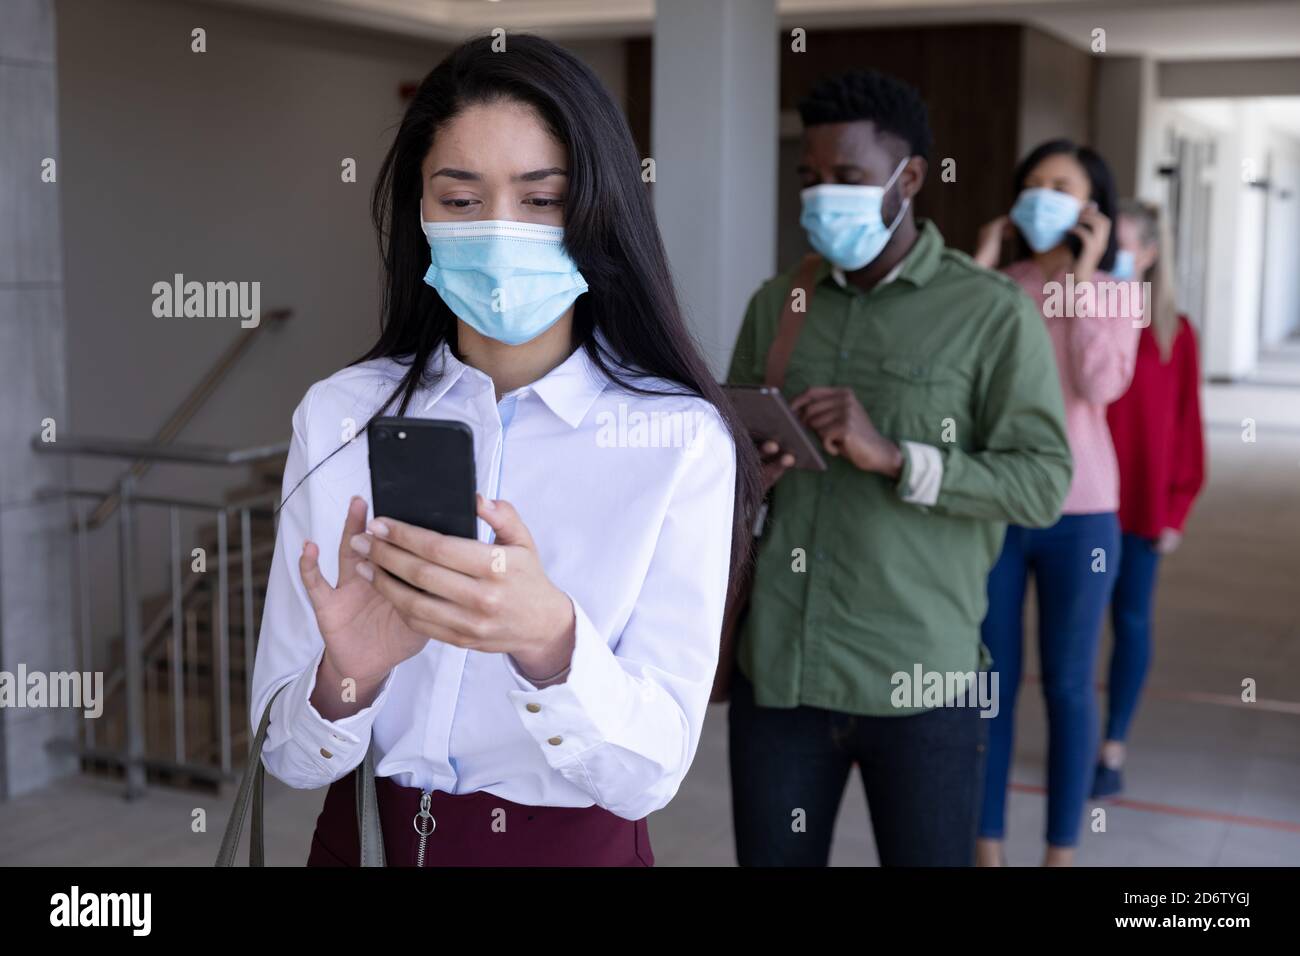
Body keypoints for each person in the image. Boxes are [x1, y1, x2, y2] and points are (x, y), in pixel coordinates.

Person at [248, 34, 760, 867]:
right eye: (460, 200)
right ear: (418, 212)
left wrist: (552, 642)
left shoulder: (680, 439)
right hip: (366, 841)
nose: (498, 232)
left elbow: (652, 772)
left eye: (540, 199)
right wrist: (350, 678)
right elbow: (288, 757)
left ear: (596, 212)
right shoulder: (340, 414)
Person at [725, 70, 1072, 867]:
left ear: (909, 178)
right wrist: (753, 475)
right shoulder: (778, 305)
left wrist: (897, 458)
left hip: (920, 682)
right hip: (782, 674)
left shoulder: (991, 313)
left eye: (847, 179)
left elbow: (1043, 483)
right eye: (810, 179)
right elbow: (725, 467)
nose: (821, 198)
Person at [973, 139, 1140, 866]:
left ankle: (1062, 849)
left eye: (1061, 185)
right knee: (990, 687)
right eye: (1033, 183)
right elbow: (955, 372)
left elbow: (1100, 385)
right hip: (998, 506)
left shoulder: (1112, 292)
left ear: (1090, 207)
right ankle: (986, 845)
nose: (1043, 195)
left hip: (1083, 515)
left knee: (1070, 686)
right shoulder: (997, 285)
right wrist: (979, 262)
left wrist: (1079, 279)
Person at [1094, 199, 1206, 798]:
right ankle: (1078, 734)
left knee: (1130, 622)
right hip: (1088, 507)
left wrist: (1177, 508)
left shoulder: (1175, 333)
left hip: (1140, 509)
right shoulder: (1082, 318)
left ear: (1151, 254)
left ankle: (1113, 744)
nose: (1114, 258)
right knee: (1077, 633)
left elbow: (1189, 427)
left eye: (1126, 246)